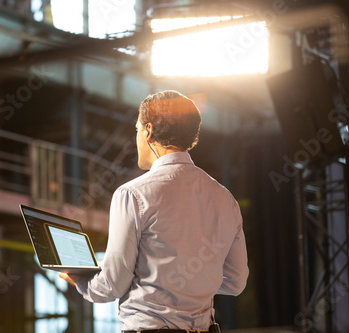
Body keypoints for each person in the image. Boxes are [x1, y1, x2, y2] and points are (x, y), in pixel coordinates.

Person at [60, 90, 248, 332]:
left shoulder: (132, 194)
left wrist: (80, 281)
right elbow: (235, 282)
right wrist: (193, 280)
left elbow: (113, 284)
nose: (136, 135)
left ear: (148, 131)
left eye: (136, 128)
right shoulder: (226, 199)